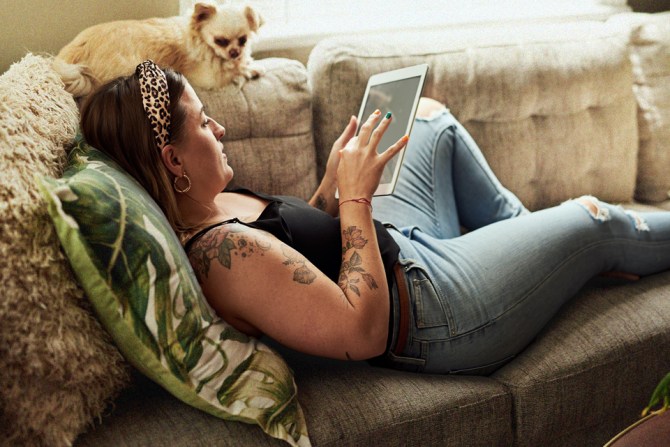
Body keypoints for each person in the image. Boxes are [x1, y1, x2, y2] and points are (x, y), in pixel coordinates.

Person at [81, 60, 670, 375]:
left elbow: (298, 245)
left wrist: (332, 186)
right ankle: (573, 252)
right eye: (205, 122)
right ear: (172, 160)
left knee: (430, 122)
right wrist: (357, 199)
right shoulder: (218, 260)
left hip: (399, 245)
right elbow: (360, 333)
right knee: (595, 219)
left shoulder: (209, 207)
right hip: (433, 308)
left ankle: (535, 253)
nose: (220, 128)